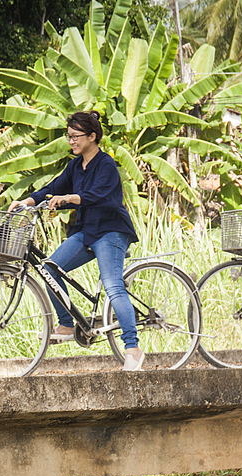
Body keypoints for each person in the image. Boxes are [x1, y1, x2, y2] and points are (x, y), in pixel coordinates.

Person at [15, 111, 146, 372]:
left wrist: (70, 198)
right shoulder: (75, 166)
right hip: (87, 232)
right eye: (69, 136)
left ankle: (133, 349)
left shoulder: (106, 164)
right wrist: (26, 201)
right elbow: (53, 187)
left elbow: (98, 195)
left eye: (76, 136)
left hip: (111, 231)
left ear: (92, 136)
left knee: (113, 286)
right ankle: (66, 324)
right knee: (49, 269)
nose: (71, 141)